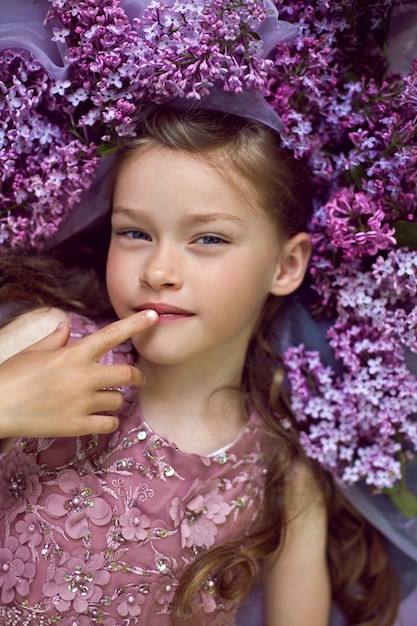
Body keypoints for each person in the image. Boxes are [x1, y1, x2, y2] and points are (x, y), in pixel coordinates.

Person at [0, 107, 399, 626]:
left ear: (286, 265)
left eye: (208, 239)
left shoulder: (281, 476)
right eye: (135, 233)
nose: (159, 271)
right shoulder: (48, 344)